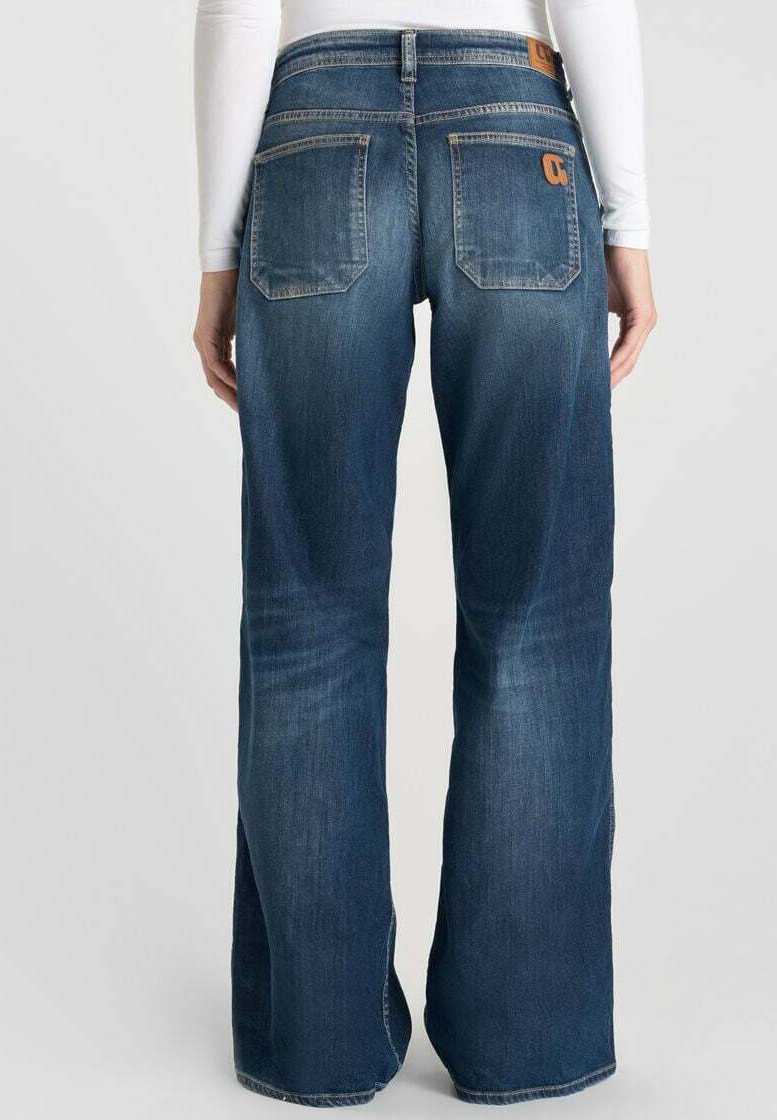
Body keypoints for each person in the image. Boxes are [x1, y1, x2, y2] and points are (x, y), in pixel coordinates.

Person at [192, 0, 656, 1107]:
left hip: (311, 130)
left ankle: (319, 1042)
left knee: (308, 625)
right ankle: (524, 1037)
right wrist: (627, 218)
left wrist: (215, 250)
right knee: (538, 625)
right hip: (516, 129)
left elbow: (238, 7)